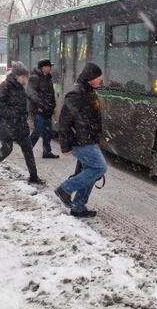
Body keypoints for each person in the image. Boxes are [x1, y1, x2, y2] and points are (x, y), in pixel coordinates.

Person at [54, 63, 106, 218]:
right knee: (99, 168)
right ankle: (65, 189)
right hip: (81, 140)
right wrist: (65, 145)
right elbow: (64, 121)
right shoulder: (77, 94)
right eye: (99, 78)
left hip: (89, 139)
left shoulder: (88, 91)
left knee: (89, 171)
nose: (101, 80)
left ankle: (78, 206)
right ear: (91, 78)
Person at [0, 64, 44, 184]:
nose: (25, 79)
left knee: (28, 149)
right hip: (6, 126)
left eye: (26, 77)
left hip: (19, 125)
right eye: (23, 77)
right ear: (16, 76)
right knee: (6, 149)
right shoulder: (5, 87)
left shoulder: (20, 87)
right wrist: (12, 113)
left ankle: (33, 177)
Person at [28, 59, 58, 159]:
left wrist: (52, 106)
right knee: (38, 130)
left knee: (47, 131)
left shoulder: (48, 78)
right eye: (49, 66)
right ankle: (27, 150)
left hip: (47, 110)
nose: (50, 68)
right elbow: (32, 94)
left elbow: (51, 94)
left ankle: (47, 152)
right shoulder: (35, 78)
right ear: (43, 67)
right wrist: (41, 105)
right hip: (38, 110)